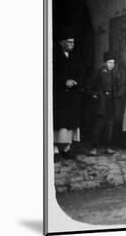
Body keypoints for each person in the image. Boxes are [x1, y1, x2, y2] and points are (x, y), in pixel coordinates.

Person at [53, 26, 83, 162]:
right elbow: (50, 73)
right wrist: (63, 81)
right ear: (62, 43)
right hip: (60, 93)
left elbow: (82, 71)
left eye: (73, 43)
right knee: (59, 122)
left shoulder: (76, 56)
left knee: (71, 122)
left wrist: (75, 81)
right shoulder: (54, 56)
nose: (72, 45)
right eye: (69, 42)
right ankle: (54, 149)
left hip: (72, 94)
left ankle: (67, 149)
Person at [89, 51, 122, 156]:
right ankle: (93, 148)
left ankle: (108, 147)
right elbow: (89, 85)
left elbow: (120, 86)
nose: (111, 65)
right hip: (101, 103)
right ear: (104, 63)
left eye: (113, 63)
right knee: (99, 126)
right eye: (109, 62)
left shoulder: (116, 73)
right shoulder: (98, 72)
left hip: (111, 103)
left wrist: (117, 95)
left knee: (109, 126)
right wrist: (94, 95)